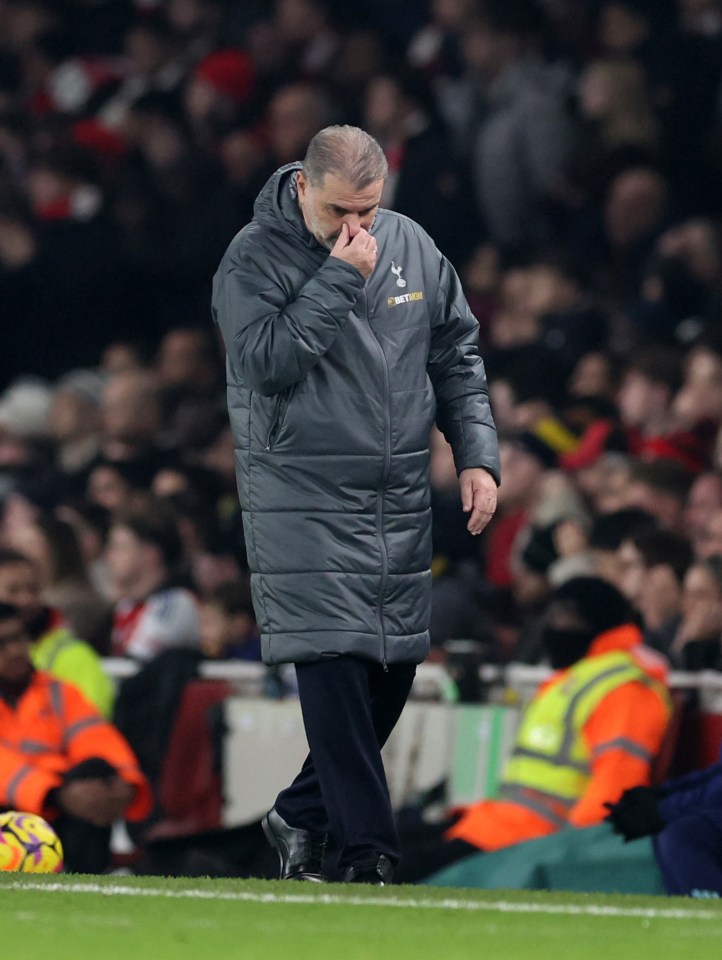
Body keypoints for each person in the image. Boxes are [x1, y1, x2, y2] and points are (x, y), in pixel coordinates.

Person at [212, 124, 500, 885]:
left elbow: (456, 355)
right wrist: (339, 278)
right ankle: (369, 853)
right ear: (302, 187)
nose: (358, 229)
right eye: (343, 211)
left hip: (396, 493)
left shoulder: (410, 244)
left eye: (369, 211)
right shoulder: (252, 257)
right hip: (298, 495)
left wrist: (477, 456)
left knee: (393, 670)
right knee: (335, 667)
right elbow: (267, 362)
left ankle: (299, 812)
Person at [394, 576, 672, 882]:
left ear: (598, 622)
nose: (554, 625)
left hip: (533, 844)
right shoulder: (579, 678)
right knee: (380, 846)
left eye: (566, 616)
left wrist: (566, 858)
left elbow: (614, 791)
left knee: (392, 866)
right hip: (501, 828)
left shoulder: (625, 690)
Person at [0, 602, 152, 873]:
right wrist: (56, 793)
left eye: (19, 638)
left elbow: (96, 739)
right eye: (2, 643)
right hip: (19, 810)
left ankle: (88, 877)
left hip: (56, 810)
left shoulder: (58, 691)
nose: (14, 651)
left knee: (97, 771)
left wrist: (122, 783)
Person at [0, 547, 115, 717]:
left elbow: (91, 724)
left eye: (33, 589)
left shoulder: (72, 655)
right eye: (13, 590)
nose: (26, 599)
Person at [106, 504, 201, 662]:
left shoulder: (178, 602)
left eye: (120, 548)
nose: (109, 557)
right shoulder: (125, 606)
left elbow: (137, 660)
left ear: (150, 554)